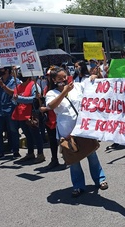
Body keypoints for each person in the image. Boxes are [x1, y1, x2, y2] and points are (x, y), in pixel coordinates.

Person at [45, 67, 108, 197]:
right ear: (53, 80)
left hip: (82, 128)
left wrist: (93, 77)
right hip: (66, 131)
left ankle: (100, 179)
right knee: (73, 160)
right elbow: (51, 106)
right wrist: (64, 92)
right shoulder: (51, 93)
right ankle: (78, 186)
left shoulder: (77, 87)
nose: (63, 80)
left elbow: (93, 83)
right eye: (59, 78)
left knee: (92, 154)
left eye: (65, 77)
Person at [0, 65, 20, 163]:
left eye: (2, 70)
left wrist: (3, 85)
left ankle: (15, 151)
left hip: (10, 109)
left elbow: (13, 93)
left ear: (7, 70)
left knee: (13, 131)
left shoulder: (15, 81)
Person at [12, 72, 45, 164]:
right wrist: (16, 100)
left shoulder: (34, 86)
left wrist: (19, 98)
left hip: (31, 114)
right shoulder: (18, 86)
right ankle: (30, 153)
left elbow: (34, 99)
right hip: (21, 114)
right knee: (28, 135)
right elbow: (14, 100)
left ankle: (40, 154)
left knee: (36, 135)